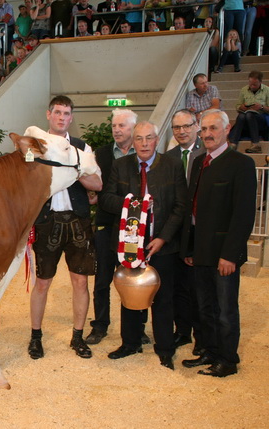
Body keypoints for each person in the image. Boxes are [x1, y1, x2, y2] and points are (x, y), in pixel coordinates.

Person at [100, 121, 187, 370]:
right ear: (133, 141)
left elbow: (180, 206)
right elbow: (106, 198)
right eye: (139, 138)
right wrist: (131, 207)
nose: (144, 143)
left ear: (157, 140)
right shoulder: (120, 165)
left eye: (149, 138)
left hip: (162, 243)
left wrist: (163, 238)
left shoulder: (171, 165)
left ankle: (165, 348)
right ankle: (130, 343)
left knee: (163, 298)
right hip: (129, 244)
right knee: (130, 295)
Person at [180, 109, 256, 377]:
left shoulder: (241, 164)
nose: (208, 134)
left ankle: (228, 360)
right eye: (204, 129)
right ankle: (210, 352)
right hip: (199, 251)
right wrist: (189, 248)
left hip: (224, 254)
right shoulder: (199, 162)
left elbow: (244, 214)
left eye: (213, 128)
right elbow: (192, 209)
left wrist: (230, 255)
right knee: (205, 308)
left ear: (227, 129)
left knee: (225, 310)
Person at [28, 96, 102, 360]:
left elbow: (97, 184)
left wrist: (74, 166)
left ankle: (78, 337)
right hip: (47, 222)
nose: (62, 117)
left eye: (66, 113)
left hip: (78, 221)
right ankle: (36, 337)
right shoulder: (35, 147)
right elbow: (25, 183)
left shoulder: (82, 147)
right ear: (48, 115)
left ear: (71, 118)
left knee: (80, 282)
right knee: (42, 283)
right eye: (57, 112)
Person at [86, 109, 138, 345]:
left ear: (133, 129)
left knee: (132, 278)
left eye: (122, 126)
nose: (117, 129)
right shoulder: (103, 154)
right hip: (107, 224)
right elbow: (93, 183)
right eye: (114, 126)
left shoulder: (142, 154)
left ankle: (137, 327)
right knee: (102, 280)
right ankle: (100, 325)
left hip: (134, 229)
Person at [166, 109, 205, 355]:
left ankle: (202, 336)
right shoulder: (168, 158)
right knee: (178, 286)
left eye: (186, 126)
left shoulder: (207, 153)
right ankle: (182, 331)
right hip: (175, 233)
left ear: (196, 126)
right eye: (177, 128)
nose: (182, 131)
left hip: (200, 232)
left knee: (198, 288)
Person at [228, 70, 269, 153]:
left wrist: (261, 106)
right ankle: (233, 143)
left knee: (249, 115)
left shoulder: (267, 90)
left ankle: (256, 144)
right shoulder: (244, 90)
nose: (252, 86)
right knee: (242, 116)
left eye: (255, 84)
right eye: (250, 84)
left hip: (261, 118)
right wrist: (241, 107)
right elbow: (238, 106)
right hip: (246, 117)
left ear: (260, 82)